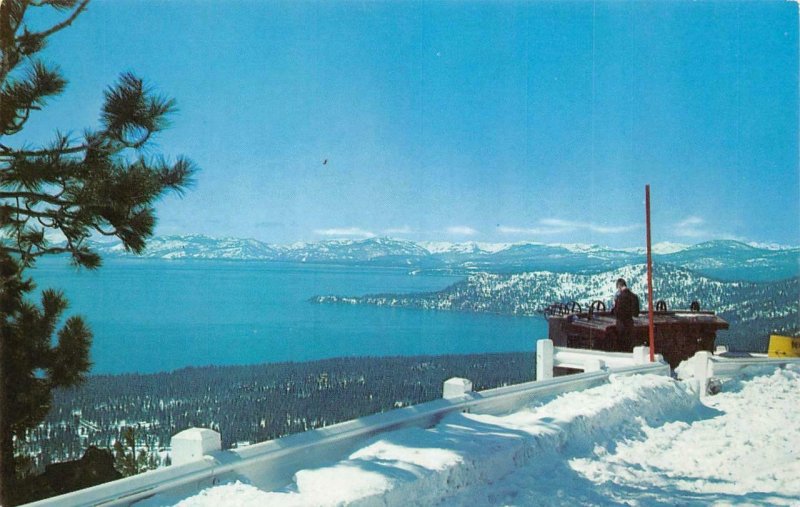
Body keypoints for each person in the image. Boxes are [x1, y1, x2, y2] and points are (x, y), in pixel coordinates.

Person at [612, 278, 640, 350]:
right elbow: (636, 313)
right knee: (630, 344)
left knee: (622, 345)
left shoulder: (620, 297)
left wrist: (614, 308)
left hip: (621, 325)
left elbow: (617, 313)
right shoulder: (634, 296)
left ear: (619, 286)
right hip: (630, 323)